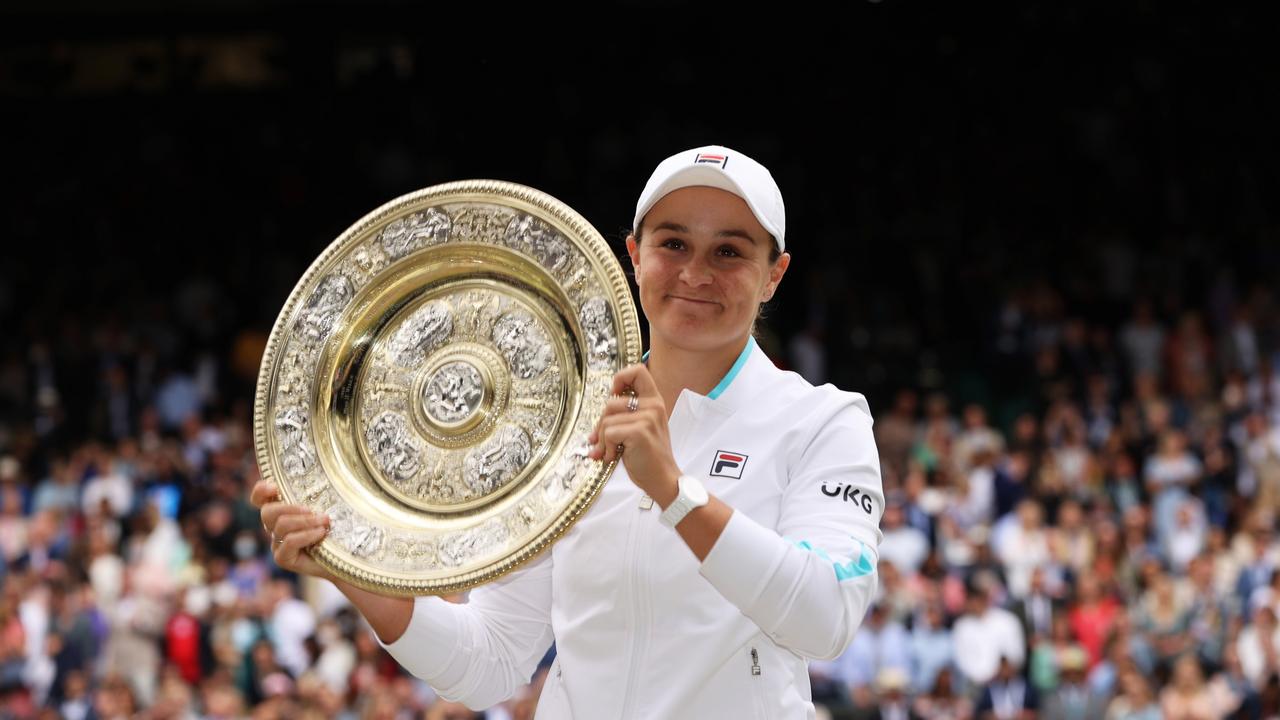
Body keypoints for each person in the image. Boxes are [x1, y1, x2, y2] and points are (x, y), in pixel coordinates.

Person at [252, 144, 886, 718]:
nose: (696, 273)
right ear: (634, 257)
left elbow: (825, 617)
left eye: (730, 251)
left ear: (774, 273)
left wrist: (673, 491)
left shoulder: (822, 421)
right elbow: (490, 663)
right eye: (672, 244)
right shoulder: (563, 423)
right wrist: (349, 570)